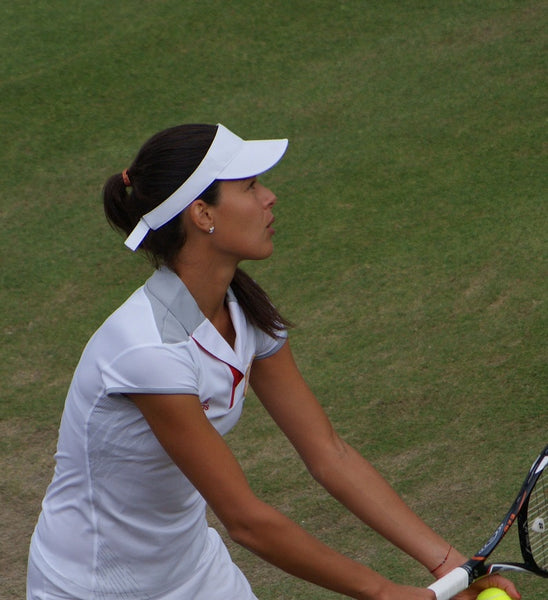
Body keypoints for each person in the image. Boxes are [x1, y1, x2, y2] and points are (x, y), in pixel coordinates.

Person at [27, 123, 520, 600]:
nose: (270, 197)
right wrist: (382, 591)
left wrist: (451, 565)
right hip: (93, 587)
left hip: (196, 572)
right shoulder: (148, 352)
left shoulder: (245, 309)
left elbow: (329, 452)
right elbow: (244, 518)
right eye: (251, 186)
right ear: (202, 214)